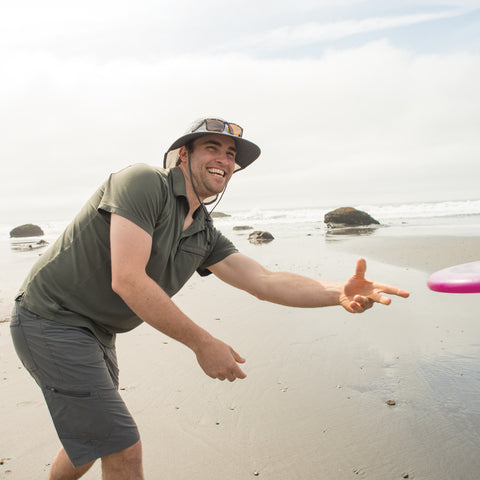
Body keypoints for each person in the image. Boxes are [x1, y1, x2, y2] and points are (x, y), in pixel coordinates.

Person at [10, 117, 409, 479]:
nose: (224, 160)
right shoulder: (143, 183)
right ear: (184, 154)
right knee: (120, 444)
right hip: (50, 320)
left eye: (231, 155)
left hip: (95, 332)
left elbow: (263, 280)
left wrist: (337, 291)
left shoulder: (204, 232)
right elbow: (128, 280)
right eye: (212, 148)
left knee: (92, 437)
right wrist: (203, 342)